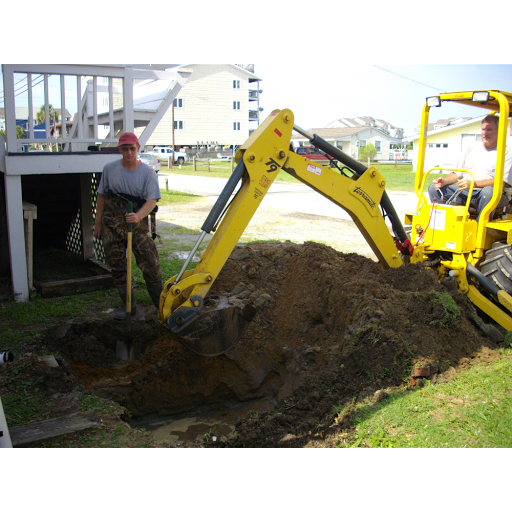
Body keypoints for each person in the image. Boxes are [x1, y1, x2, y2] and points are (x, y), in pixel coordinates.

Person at [94, 132, 162, 320]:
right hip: (111, 225)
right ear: (120, 149)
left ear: (138, 148)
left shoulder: (147, 172)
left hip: (137, 224)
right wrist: (98, 222)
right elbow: (102, 196)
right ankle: (128, 305)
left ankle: (161, 305)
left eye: (132, 148)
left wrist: (138, 216)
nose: (129, 152)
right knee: (116, 265)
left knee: (150, 262)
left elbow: (152, 200)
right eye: (125, 148)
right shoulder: (109, 169)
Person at [428, 114, 512, 222]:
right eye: (483, 129)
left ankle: (479, 230)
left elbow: (502, 182)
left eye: (489, 130)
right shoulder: (472, 147)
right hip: (466, 192)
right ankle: (443, 227)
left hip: (492, 195)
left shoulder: (506, 152)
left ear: (499, 131)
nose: (485, 133)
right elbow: (457, 174)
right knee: (434, 189)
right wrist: (444, 181)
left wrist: (474, 184)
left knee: (488, 193)